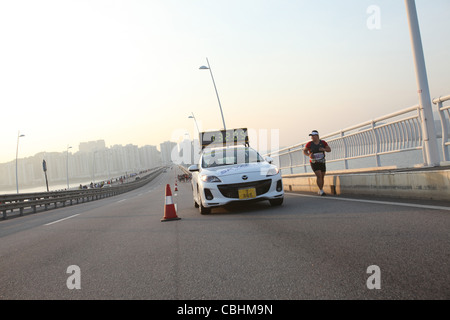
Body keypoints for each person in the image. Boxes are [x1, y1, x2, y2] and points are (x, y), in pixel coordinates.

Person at [303, 130, 331, 196]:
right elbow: (304, 151)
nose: (312, 137)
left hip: (322, 161)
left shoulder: (323, 142)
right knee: (319, 175)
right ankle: (321, 190)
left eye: (313, 136)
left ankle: (320, 189)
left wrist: (324, 149)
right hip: (314, 161)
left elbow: (329, 150)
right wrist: (309, 155)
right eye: (311, 136)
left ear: (317, 136)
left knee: (322, 175)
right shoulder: (309, 144)